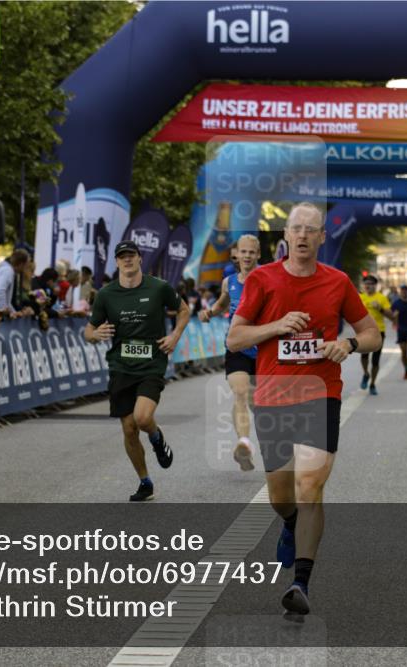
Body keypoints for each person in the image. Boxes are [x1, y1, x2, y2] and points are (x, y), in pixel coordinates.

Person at [227, 203, 380, 616]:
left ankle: (301, 583)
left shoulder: (337, 282)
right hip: (274, 397)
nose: (303, 235)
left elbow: (372, 334)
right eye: (296, 228)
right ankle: (290, 523)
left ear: (321, 237)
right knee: (281, 496)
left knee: (310, 485)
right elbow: (234, 339)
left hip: (320, 393)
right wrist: (276, 327)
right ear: (286, 235)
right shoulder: (262, 279)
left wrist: (347, 344)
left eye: (311, 230)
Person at [85, 240, 191, 502]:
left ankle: (156, 438)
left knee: (143, 419)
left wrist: (175, 335)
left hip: (151, 365)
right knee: (129, 428)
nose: (127, 260)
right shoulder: (106, 295)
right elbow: (88, 330)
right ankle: (145, 482)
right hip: (120, 367)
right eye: (122, 256)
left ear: (140, 258)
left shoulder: (158, 287)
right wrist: (95, 334)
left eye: (131, 255)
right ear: (117, 261)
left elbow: (184, 310)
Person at [199, 234, 261, 470]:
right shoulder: (229, 282)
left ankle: (255, 438)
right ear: (236, 254)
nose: (246, 256)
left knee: (258, 402)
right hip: (237, 348)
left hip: (263, 349)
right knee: (240, 393)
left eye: (251, 252)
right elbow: (224, 302)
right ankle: (244, 444)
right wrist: (211, 313)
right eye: (242, 252)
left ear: (258, 255)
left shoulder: (268, 278)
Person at [357, 274, 392, 395]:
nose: (368, 286)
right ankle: (366, 373)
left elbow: (391, 316)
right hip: (364, 331)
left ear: (375, 286)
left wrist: (381, 309)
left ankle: (372, 384)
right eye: (366, 284)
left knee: (376, 361)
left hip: (379, 331)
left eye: (371, 284)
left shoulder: (382, 298)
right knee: (364, 357)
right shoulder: (359, 297)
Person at [0, 249, 31, 318]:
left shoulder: (5, 268)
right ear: (22, 264)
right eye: (26, 265)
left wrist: (14, 313)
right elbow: (0, 290)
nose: (25, 268)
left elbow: (7, 301)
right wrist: (4, 311)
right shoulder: (8, 271)